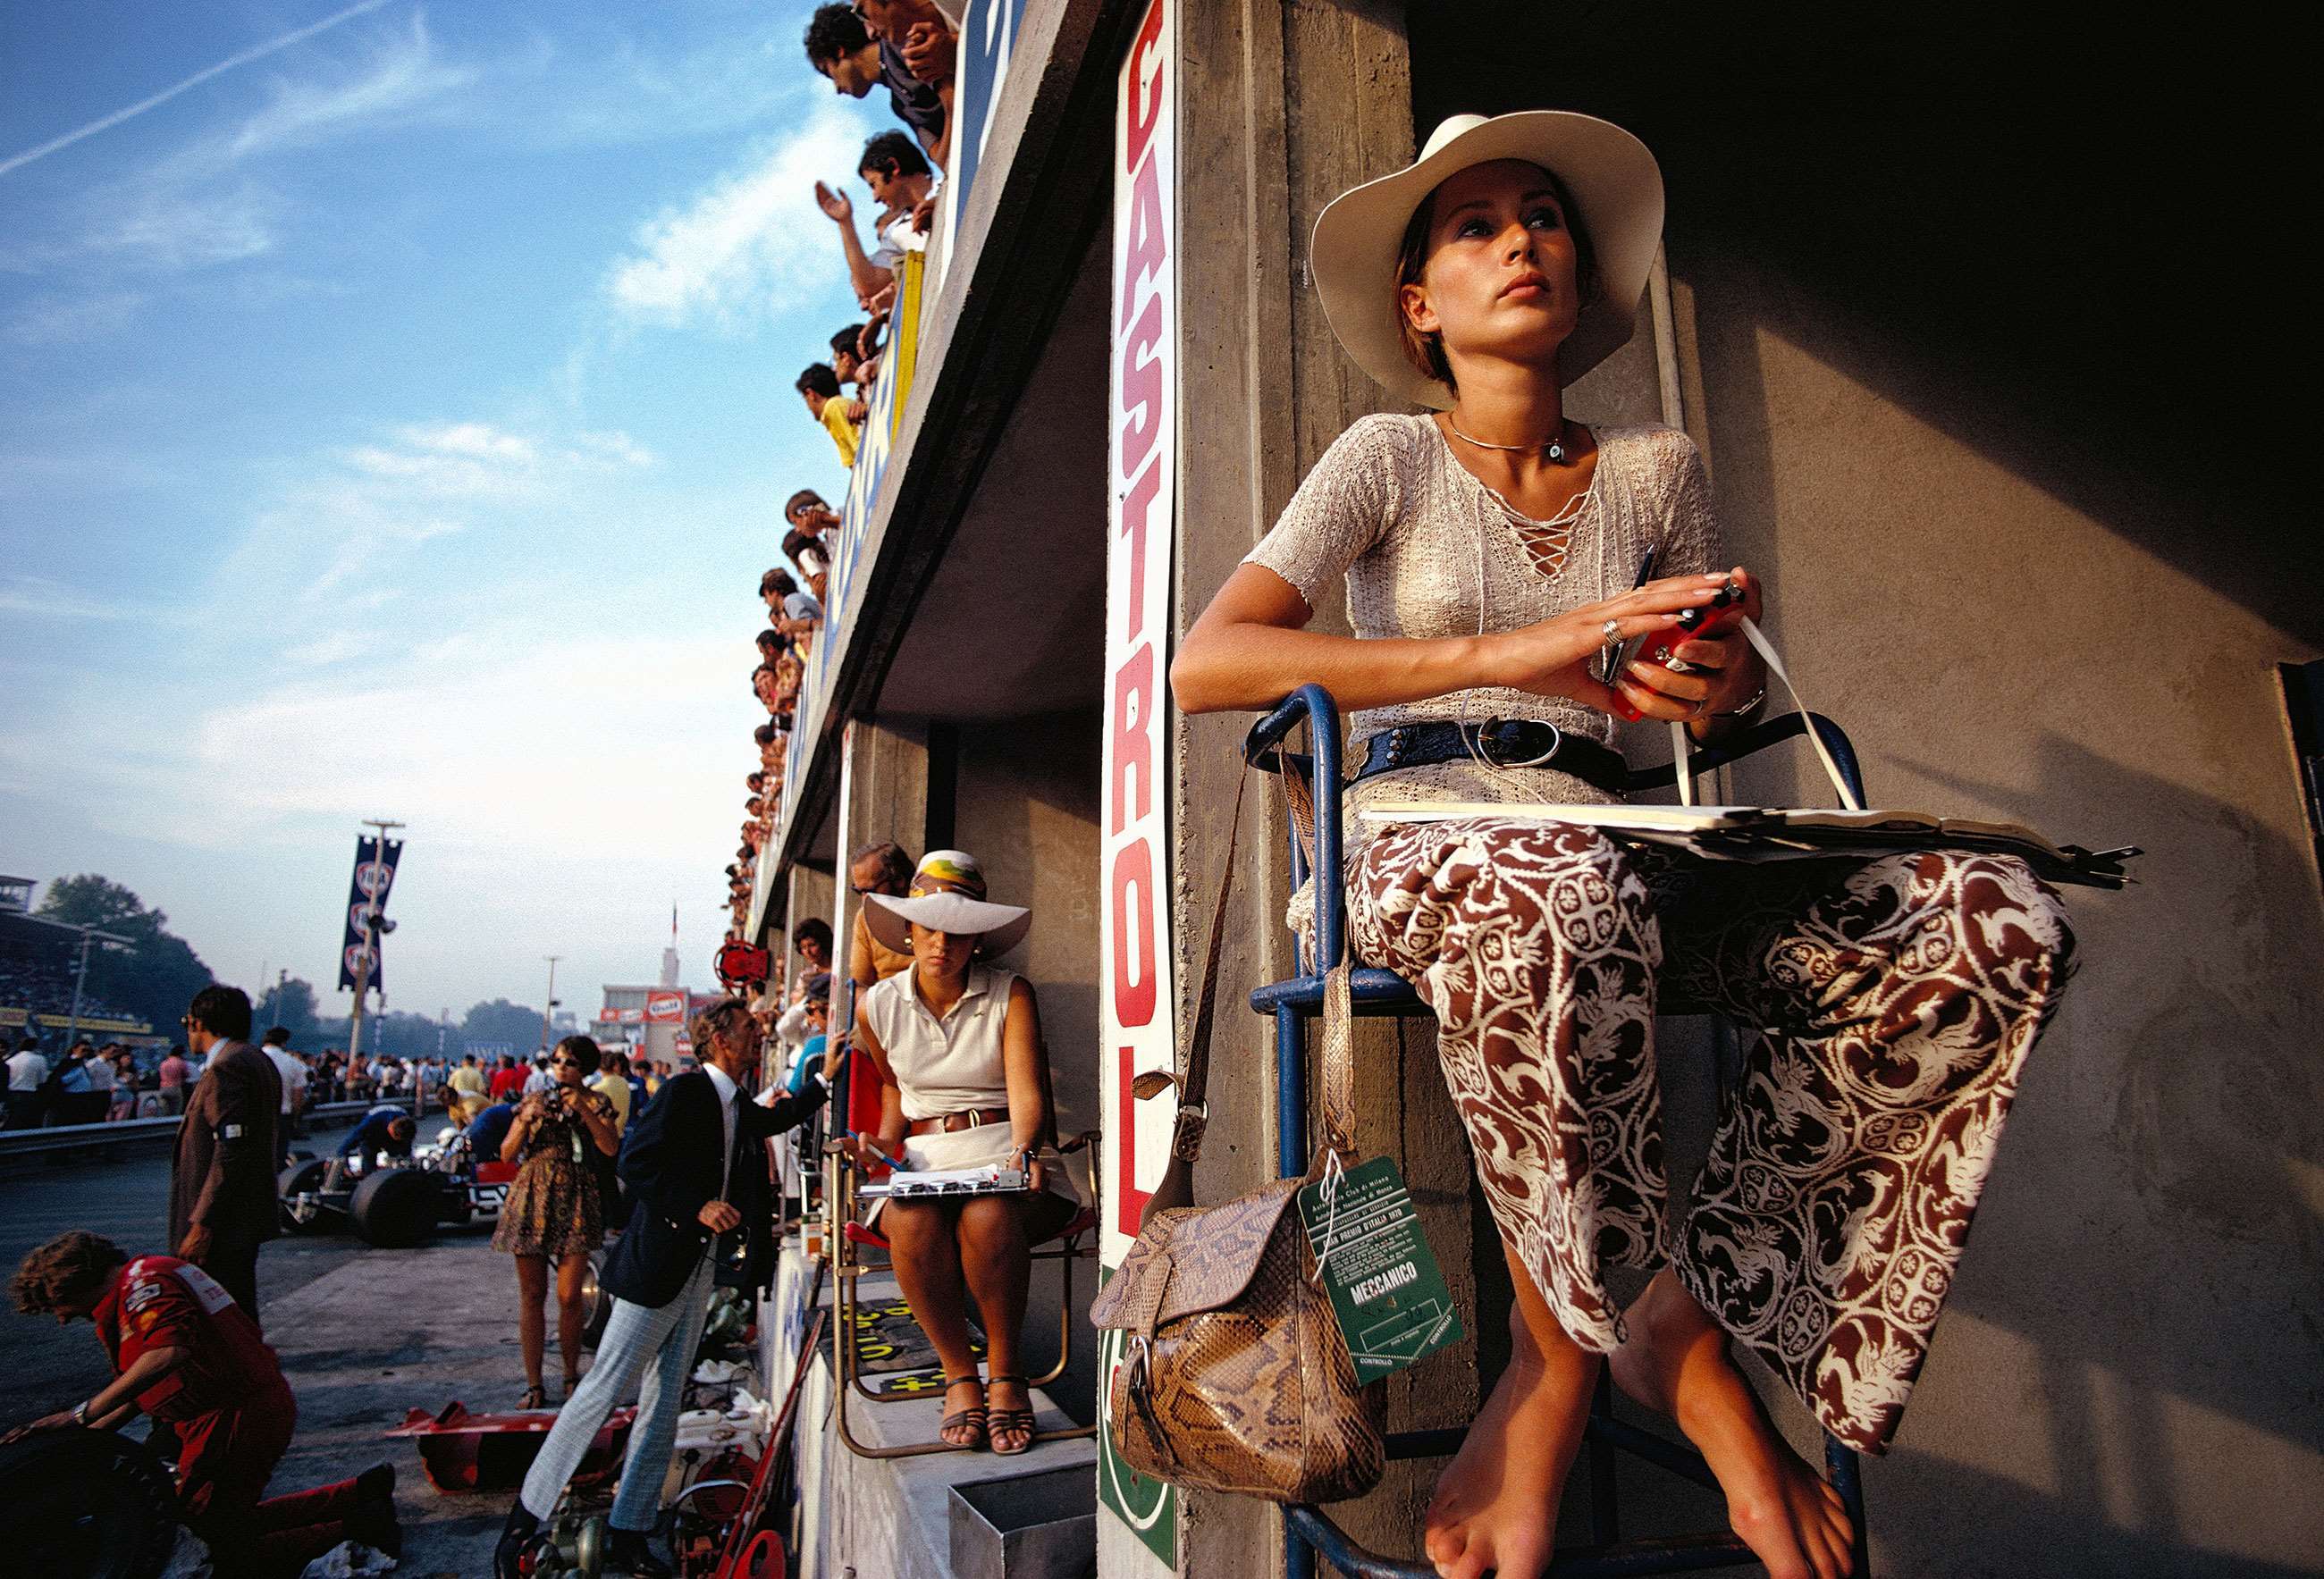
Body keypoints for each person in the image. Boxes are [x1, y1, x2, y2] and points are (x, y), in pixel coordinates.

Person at [1169, 112, 2081, 1579]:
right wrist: (1531, 649)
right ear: (1422, 305)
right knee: (1564, 890)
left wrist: (1701, 663)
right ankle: (1604, 1350)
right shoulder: (1388, 452)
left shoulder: (1657, 469)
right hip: (1420, 829)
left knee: (1988, 917)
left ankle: (1688, 1307)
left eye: (1543, 216)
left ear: (1583, 276)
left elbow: (1689, 702)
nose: (1522, 238)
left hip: (1625, 833)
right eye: (1474, 227)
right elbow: (1211, 664)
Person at [495, 1003, 826, 1578]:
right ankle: (525, 1517)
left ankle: (631, 1526)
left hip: (695, 1267)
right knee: (603, 1389)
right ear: (720, 1040)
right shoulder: (685, 1093)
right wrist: (696, 1207)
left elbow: (770, 1122)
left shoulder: (730, 1101)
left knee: (663, 1401)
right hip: (659, 1267)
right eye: (750, 1030)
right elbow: (636, 1161)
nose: (759, 1036)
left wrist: (823, 1078)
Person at [850, 851, 1084, 1455]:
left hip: (1005, 1149)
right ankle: (959, 1373)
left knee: (986, 1211)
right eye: (930, 928)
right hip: (925, 1160)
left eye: (957, 933)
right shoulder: (875, 1006)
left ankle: (1005, 1373)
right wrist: (877, 1141)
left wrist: (1025, 1149)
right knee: (909, 1216)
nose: (941, 944)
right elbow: (897, 1091)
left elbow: (1026, 1093)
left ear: (976, 939)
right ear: (909, 931)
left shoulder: (1011, 993)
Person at [6, 1231, 400, 1575]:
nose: (61, 1320)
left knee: (208, 1544)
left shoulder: (146, 1284)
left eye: (56, 1308)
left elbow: (167, 1355)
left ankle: (361, 1527)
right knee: (206, 1515)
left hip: (236, 1414)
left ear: (69, 1285)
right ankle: (358, 1493)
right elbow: (145, 1389)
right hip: (226, 1411)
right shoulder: (145, 1277)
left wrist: (79, 1414)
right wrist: (79, 1432)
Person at [492, 1037, 621, 1410]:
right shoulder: (533, 1100)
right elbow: (506, 1152)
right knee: (532, 1295)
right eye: (557, 1060)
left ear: (587, 1069)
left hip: (577, 1195)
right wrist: (524, 1123)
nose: (562, 1067)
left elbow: (610, 1147)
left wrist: (583, 1109)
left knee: (570, 1296)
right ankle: (533, 1384)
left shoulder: (598, 1102)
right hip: (532, 1194)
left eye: (571, 1063)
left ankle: (570, 1374)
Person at [172, 986, 282, 1326]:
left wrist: (203, 1222)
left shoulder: (226, 1066)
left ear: (199, 1023)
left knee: (218, 1310)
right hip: (245, 1211)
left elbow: (231, 1150)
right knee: (236, 1307)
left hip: (223, 1218)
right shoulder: (256, 1059)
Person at [802, 2, 949, 168]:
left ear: (839, 51)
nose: (837, 88)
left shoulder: (903, 42)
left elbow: (955, 96)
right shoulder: (899, 106)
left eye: (829, 73)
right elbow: (941, 159)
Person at [813, 130, 938, 312]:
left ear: (893, 167)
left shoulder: (954, 178)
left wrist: (939, 203)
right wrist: (844, 223)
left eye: (873, 184)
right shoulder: (896, 233)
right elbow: (870, 285)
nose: (875, 197)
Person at [847, 840, 916, 996]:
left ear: (899, 880)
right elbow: (860, 983)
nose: (865, 900)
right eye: (860, 892)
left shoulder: (930, 908)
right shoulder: (864, 918)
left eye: (870, 891)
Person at [796, 363, 862, 468]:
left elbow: (861, 450)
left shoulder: (833, 407)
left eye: (805, 399)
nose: (808, 407)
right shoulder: (836, 409)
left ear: (810, 394)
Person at [259, 1027, 307, 1152]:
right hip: (282, 1116)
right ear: (284, 1042)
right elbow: (298, 1096)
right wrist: (295, 1117)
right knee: (278, 1157)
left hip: (255, 1115)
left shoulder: (252, 1058)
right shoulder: (293, 1063)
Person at [6, 1035, 49, 1129]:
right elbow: (42, 1080)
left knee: (11, 1121)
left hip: (11, 1094)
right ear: (35, 1046)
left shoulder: (10, 1060)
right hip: (29, 1095)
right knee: (26, 1123)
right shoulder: (40, 1059)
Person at [155, 1042, 189, 1116]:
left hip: (163, 1088)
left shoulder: (164, 1063)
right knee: (175, 1111)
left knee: (164, 1111)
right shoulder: (181, 1063)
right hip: (175, 1088)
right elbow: (186, 1075)